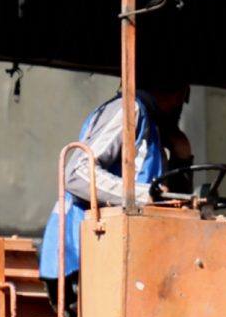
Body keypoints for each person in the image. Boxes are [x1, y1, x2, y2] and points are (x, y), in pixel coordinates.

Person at [38, 81, 193, 280]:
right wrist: (142, 195)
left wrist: (182, 158)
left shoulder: (152, 127)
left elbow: (170, 200)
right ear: (181, 95)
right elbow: (77, 173)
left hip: (123, 255)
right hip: (82, 253)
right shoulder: (129, 109)